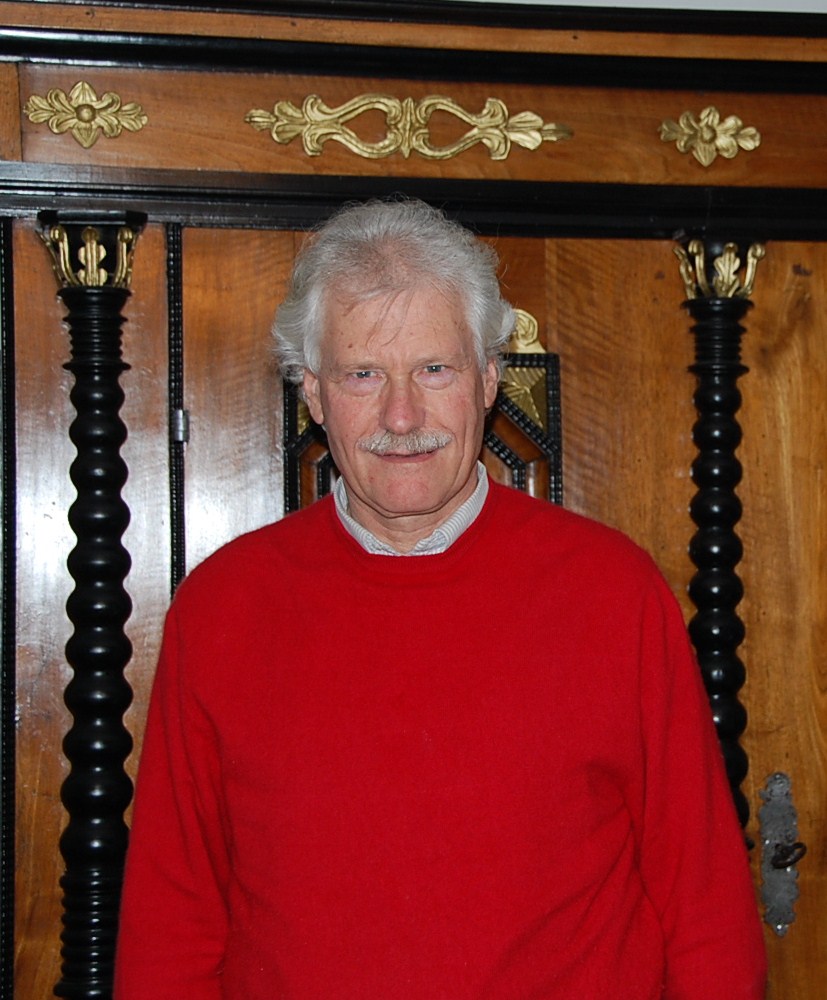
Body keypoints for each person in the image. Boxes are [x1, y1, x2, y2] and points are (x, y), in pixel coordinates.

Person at [115, 198, 767, 999]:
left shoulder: (612, 592)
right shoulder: (222, 610)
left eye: (434, 369)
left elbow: (704, 908)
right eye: (362, 374)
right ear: (312, 392)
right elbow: (170, 926)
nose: (401, 416)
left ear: (488, 379)